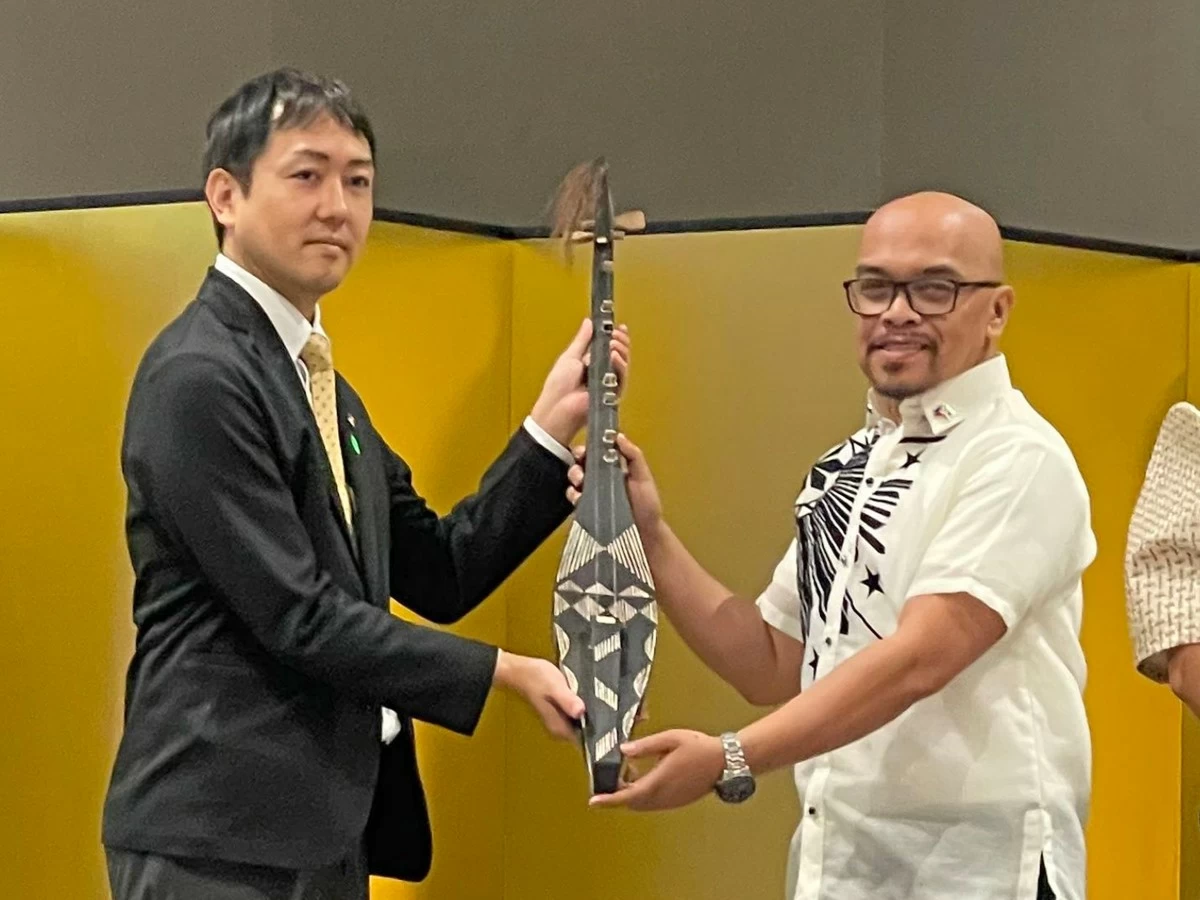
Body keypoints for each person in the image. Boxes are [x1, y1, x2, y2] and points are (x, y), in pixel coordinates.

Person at [101, 67, 630, 900]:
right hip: (215, 837)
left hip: (320, 831)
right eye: (306, 175)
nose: (337, 207)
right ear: (225, 196)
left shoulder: (320, 384)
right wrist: (506, 672)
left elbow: (440, 568)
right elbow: (299, 614)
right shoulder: (199, 375)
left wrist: (543, 428)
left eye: (358, 182)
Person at [580, 192, 1093, 900]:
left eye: (934, 289)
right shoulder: (852, 463)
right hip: (840, 863)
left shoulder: (1017, 457)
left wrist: (731, 757)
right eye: (876, 287)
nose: (898, 312)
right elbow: (774, 663)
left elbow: (922, 657)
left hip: (978, 874)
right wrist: (650, 533)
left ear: (997, 310)